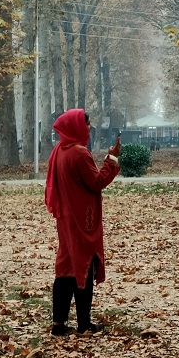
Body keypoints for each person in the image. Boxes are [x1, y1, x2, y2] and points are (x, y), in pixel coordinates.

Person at [45, 109, 121, 336]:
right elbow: (96, 182)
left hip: (66, 217)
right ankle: (84, 323)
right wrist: (112, 158)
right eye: (86, 124)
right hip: (82, 218)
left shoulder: (59, 150)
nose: (89, 128)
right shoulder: (79, 153)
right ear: (76, 126)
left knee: (66, 266)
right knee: (85, 266)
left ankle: (59, 324)